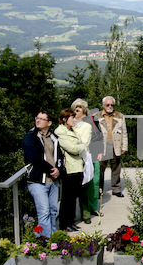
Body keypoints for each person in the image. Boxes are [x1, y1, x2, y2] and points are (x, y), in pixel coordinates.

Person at [22, 111, 64, 239]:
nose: (38, 120)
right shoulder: (30, 136)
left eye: (41, 118)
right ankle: (47, 242)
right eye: (37, 117)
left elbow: (60, 157)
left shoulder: (53, 138)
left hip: (53, 181)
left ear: (49, 123)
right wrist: (52, 169)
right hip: (37, 181)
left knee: (53, 211)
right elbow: (34, 158)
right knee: (44, 212)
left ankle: (52, 238)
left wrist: (59, 170)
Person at [55, 109, 87, 233]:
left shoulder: (72, 131)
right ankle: (64, 223)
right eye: (72, 118)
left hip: (78, 167)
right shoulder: (60, 132)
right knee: (67, 198)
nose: (74, 120)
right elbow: (72, 148)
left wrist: (81, 147)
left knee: (73, 197)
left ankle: (71, 222)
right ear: (64, 119)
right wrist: (83, 147)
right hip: (69, 169)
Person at [94, 96, 128, 197]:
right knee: (99, 169)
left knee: (116, 168)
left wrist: (124, 147)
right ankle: (99, 190)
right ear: (103, 105)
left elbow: (124, 132)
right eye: (108, 105)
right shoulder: (96, 115)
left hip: (115, 145)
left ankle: (116, 189)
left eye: (112, 105)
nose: (110, 107)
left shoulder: (119, 116)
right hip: (102, 147)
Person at [71, 98, 97, 224]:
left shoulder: (87, 126)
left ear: (84, 112)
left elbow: (85, 142)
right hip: (70, 160)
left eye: (78, 109)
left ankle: (85, 214)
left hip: (83, 158)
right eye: (74, 109)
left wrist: (71, 143)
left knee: (84, 188)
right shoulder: (69, 125)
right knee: (70, 190)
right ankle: (70, 215)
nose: (75, 112)